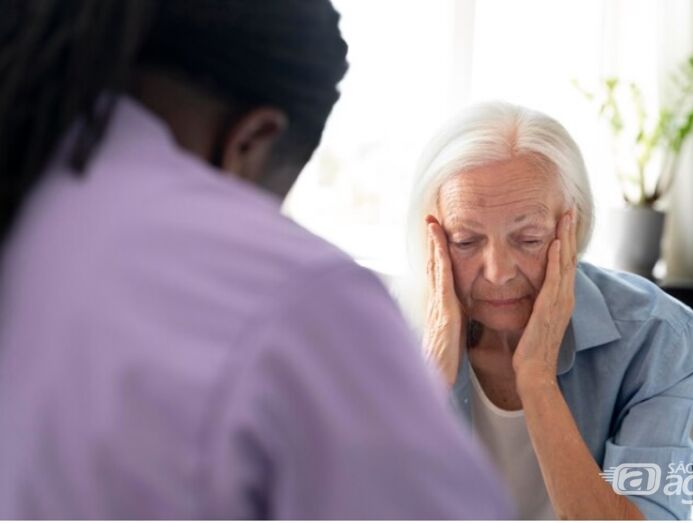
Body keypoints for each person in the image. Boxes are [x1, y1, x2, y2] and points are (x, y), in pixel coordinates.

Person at [0, 1, 513, 518]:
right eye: (467, 239)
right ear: (249, 141)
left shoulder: (35, 196)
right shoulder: (299, 297)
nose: (498, 269)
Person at [399, 101, 693, 520]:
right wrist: (430, 379)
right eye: (466, 241)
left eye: (528, 239)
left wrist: (537, 380)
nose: (497, 273)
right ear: (433, 237)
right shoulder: (381, 329)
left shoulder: (656, 335)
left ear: (574, 226)